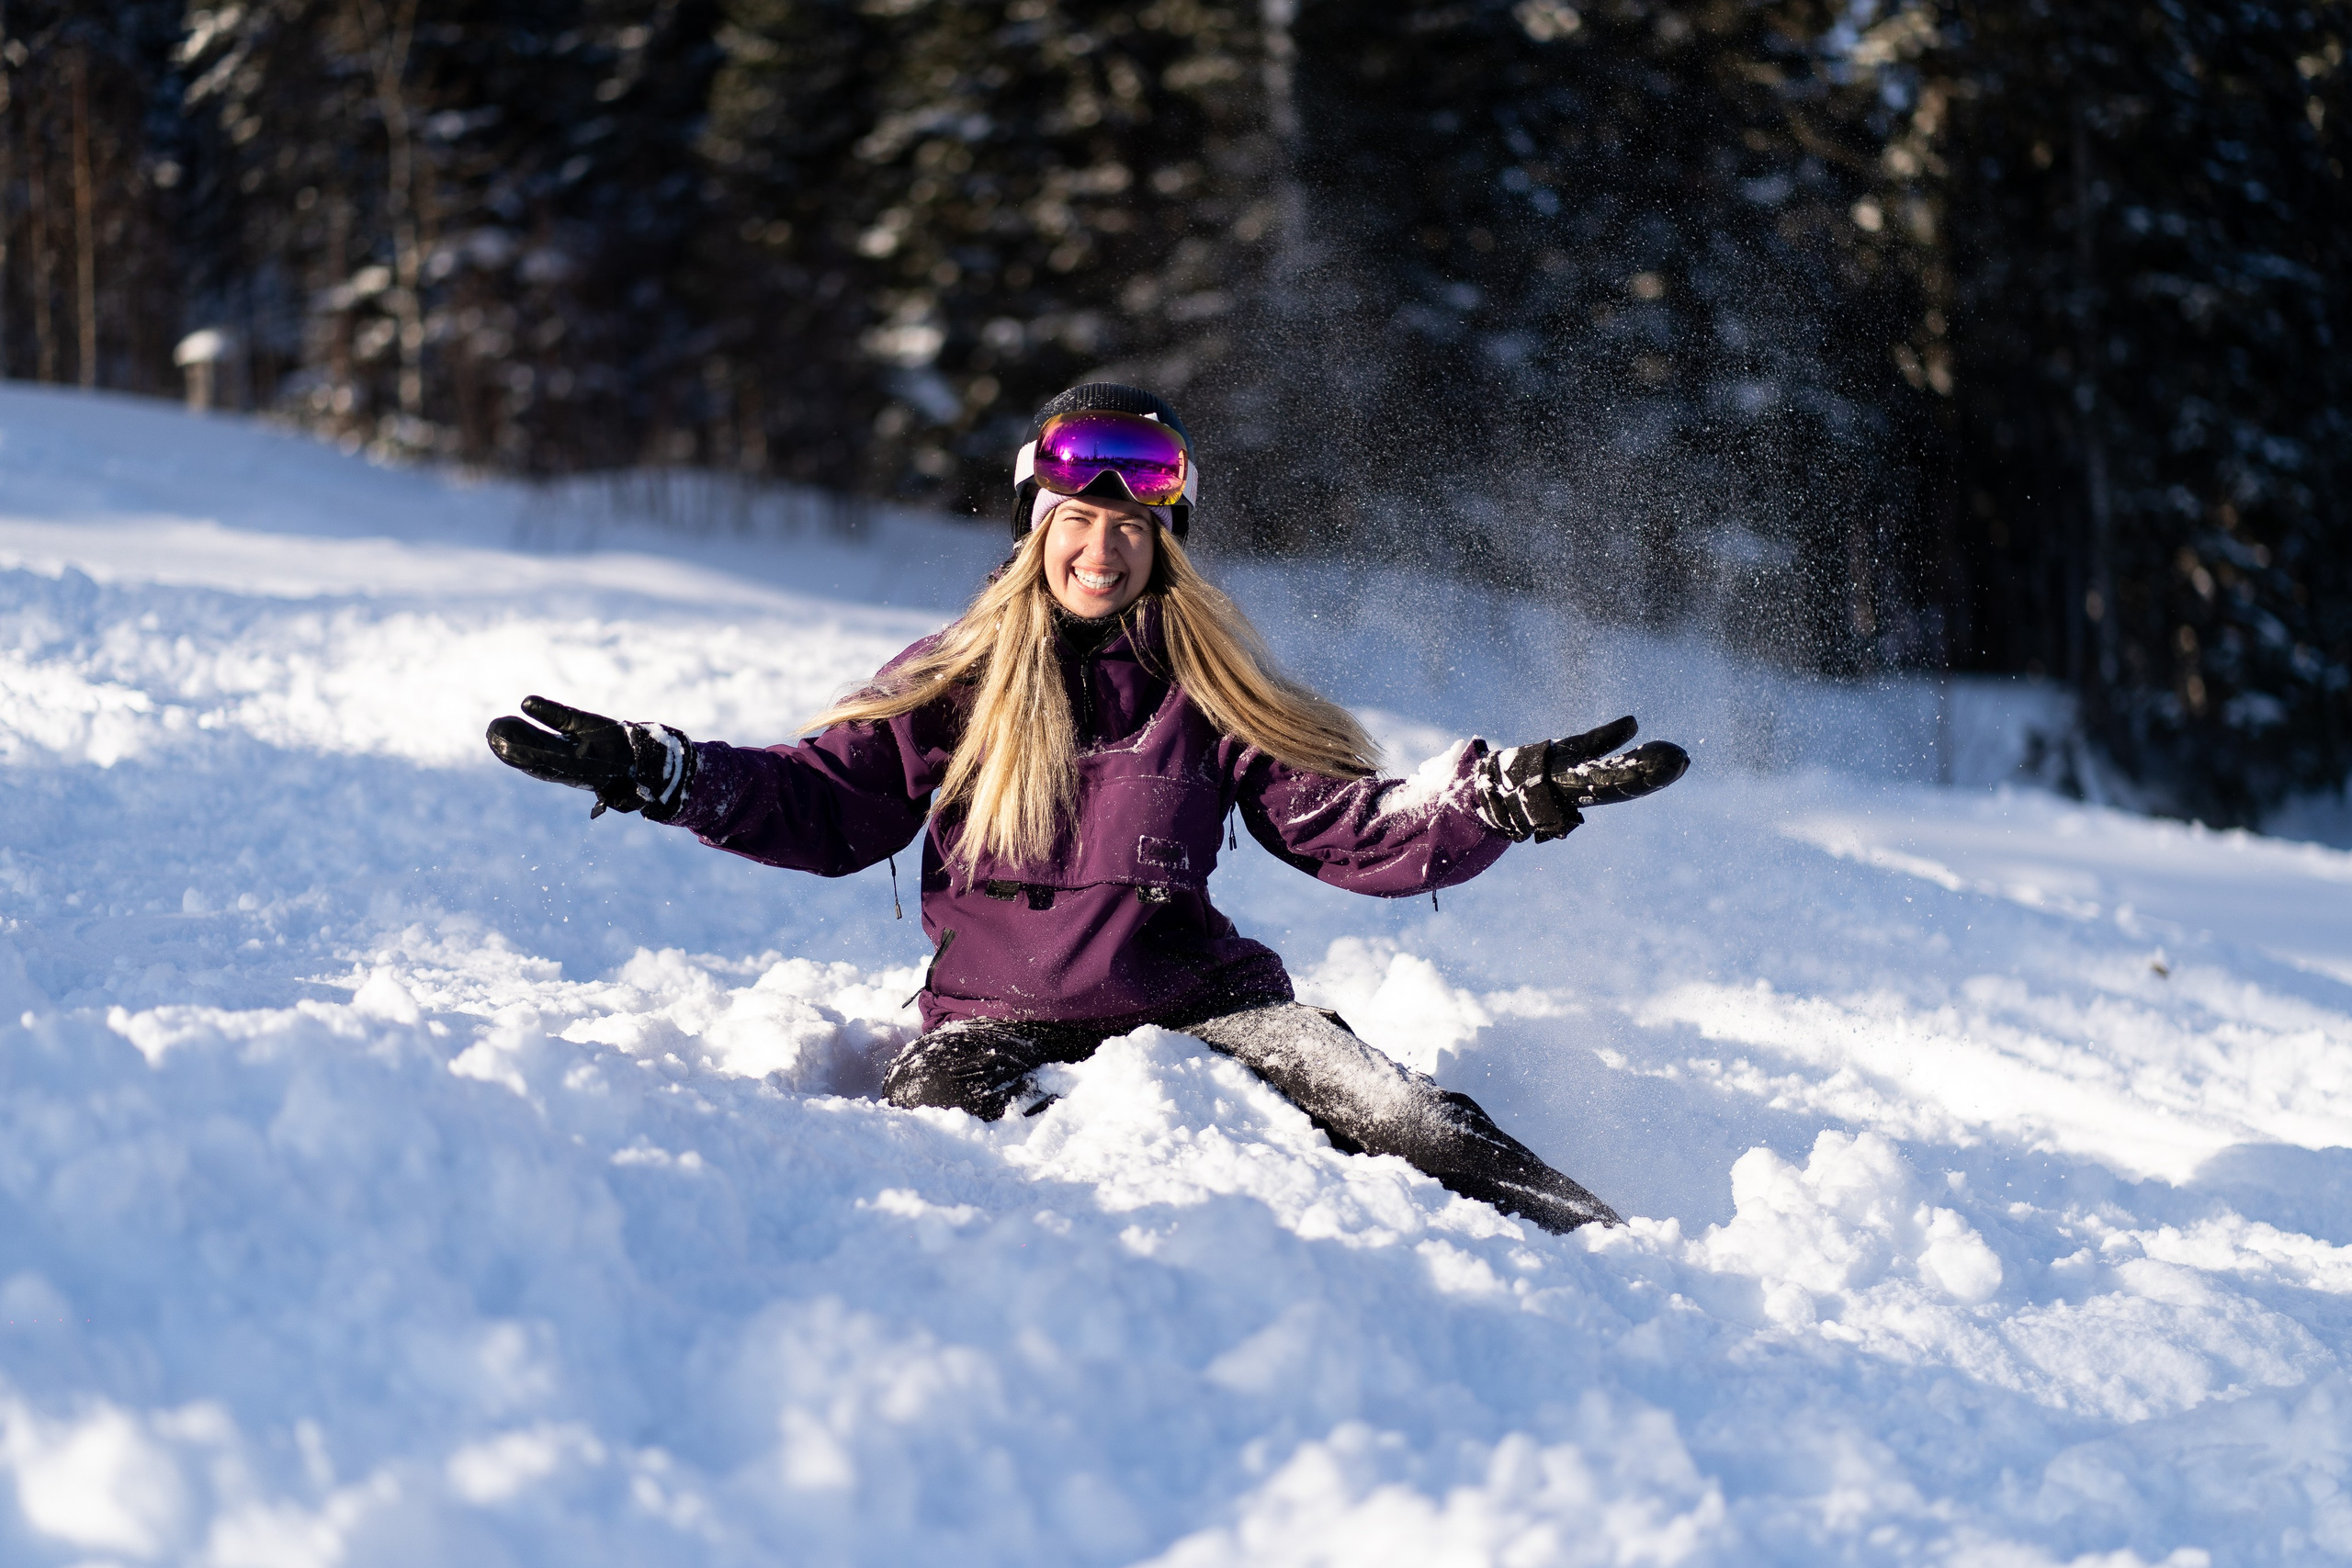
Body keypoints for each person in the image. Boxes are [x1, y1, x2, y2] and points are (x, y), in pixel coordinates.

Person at [486, 384, 1687, 1234]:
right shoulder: (955, 678)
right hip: (993, 1023)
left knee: (1404, 1115)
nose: (1101, 551)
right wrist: (666, 772)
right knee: (956, 1136)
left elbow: (1347, 825)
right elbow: (827, 801)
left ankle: (1619, 1259)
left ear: (1165, 544)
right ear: (1036, 531)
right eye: (1077, 523)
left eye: (1130, 528)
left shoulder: (1211, 689)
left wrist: (1501, 799)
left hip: (1207, 1008)